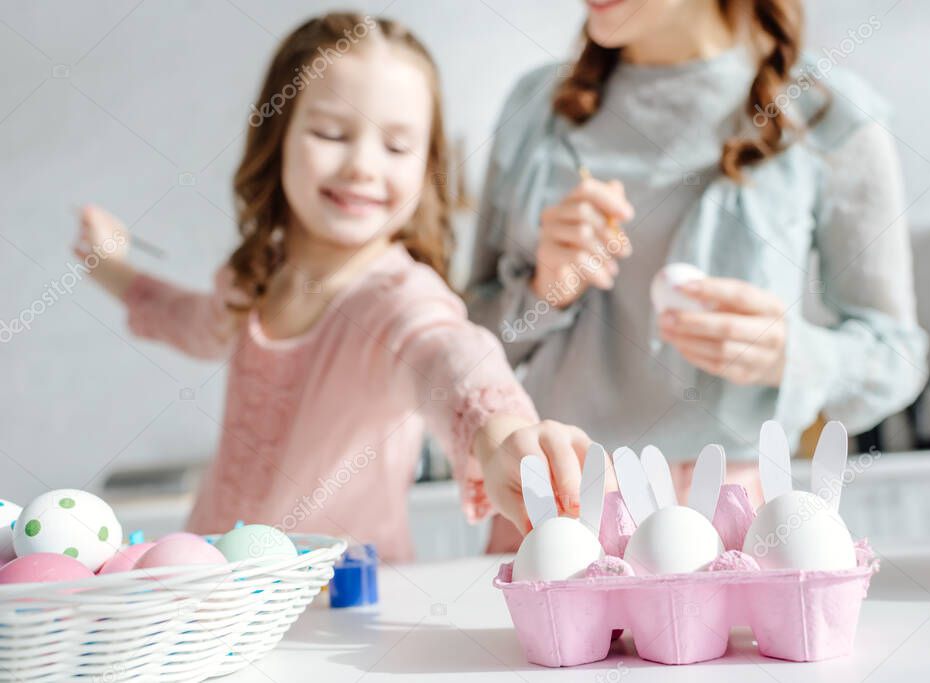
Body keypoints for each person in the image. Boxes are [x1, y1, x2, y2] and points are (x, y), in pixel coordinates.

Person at [73, 13, 591, 562]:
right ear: (278, 137)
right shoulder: (256, 278)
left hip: (340, 613)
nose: (363, 165)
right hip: (212, 594)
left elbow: (452, 357)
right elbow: (191, 323)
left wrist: (501, 435)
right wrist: (108, 265)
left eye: (396, 147)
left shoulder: (400, 298)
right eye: (331, 133)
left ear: (426, 165)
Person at [469, 0, 929, 551]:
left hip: (734, 519)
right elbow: (465, 348)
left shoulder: (831, 113)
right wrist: (544, 292)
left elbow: (898, 357)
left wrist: (791, 353)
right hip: (555, 506)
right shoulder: (534, 110)